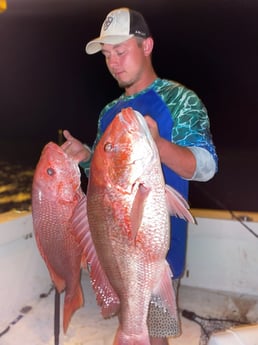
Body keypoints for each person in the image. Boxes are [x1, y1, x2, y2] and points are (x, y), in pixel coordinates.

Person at [61, 7, 218, 345]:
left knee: (154, 335)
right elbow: (107, 182)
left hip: (160, 247)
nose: (113, 62)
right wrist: (88, 157)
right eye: (106, 55)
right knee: (132, 321)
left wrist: (158, 145)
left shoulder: (180, 100)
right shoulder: (109, 113)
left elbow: (205, 166)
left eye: (121, 51)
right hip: (114, 247)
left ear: (146, 46)